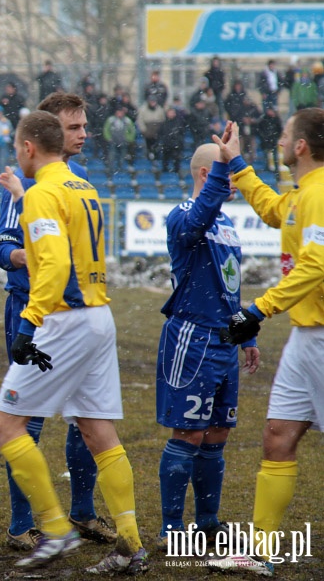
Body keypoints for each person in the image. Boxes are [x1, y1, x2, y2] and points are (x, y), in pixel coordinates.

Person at [0, 110, 147, 574]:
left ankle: (55, 529)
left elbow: (55, 266)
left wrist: (29, 322)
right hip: (98, 315)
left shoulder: (43, 192)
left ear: (27, 148)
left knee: (5, 425)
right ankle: (130, 544)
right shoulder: (83, 186)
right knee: (98, 430)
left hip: (64, 322)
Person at [207, 110, 324, 576]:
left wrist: (258, 309)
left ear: (300, 146)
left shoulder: (319, 195)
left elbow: (316, 265)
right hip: (306, 335)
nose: (279, 139)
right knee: (278, 437)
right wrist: (237, 163)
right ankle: (261, 551)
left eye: (285, 134)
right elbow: (275, 211)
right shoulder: (302, 194)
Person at [155, 141, 260, 552]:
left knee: (217, 433)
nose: (231, 181)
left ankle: (208, 522)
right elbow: (195, 222)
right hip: (192, 339)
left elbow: (230, 290)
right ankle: (170, 528)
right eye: (225, 174)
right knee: (189, 433)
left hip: (224, 342)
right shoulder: (183, 214)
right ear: (206, 174)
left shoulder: (228, 224)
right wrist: (220, 176)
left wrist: (245, 335)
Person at [103, 105, 136, 173]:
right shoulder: (111, 120)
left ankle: (120, 169)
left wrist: (128, 139)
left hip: (123, 142)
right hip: (113, 141)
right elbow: (106, 129)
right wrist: (109, 138)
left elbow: (132, 130)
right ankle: (111, 169)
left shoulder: (127, 120)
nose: (119, 114)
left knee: (122, 156)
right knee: (112, 156)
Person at [256, 105, 283, 173]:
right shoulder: (263, 119)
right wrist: (263, 137)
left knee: (275, 156)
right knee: (266, 154)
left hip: (273, 140)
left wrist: (276, 136)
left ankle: (276, 171)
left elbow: (280, 129)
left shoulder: (276, 119)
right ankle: (267, 167)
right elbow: (259, 129)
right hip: (265, 140)